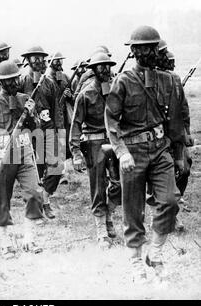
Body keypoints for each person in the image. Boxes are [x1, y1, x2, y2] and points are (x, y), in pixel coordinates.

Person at [105, 26, 181, 282]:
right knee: (133, 211)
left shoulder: (168, 80)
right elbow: (111, 121)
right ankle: (136, 262)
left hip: (161, 150)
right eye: (142, 47)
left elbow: (175, 122)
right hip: (133, 152)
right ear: (134, 51)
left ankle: (156, 253)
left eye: (151, 47)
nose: (147, 52)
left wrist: (179, 153)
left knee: (169, 201)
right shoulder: (123, 81)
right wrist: (121, 152)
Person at [0, 60, 44, 257]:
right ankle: (6, 242)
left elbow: (36, 128)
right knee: (2, 200)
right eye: (7, 81)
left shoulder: (26, 100)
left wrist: (31, 115)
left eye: (15, 79)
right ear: (1, 83)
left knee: (34, 193)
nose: (12, 84)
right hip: (2, 159)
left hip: (24, 154)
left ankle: (29, 239)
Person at [70, 52, 121, 248]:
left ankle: (109, 213)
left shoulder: (116, 90)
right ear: (94, 69)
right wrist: (75, 153)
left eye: (108, 66)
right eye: (101, 66)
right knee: (98, 188)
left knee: (121, 183)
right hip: (94, 144)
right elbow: (75, 124)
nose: (105, 69)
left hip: (115, 142)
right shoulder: (85, 94)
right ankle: (101, 230)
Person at [19, 46, 63, 220]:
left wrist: (59, 132)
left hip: (48, 129)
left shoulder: (49, 82)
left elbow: (57, 109)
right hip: (30, 132)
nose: (38, 61)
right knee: (35, 170)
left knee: (57, 167)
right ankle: (38, 205)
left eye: (40, 58)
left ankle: (45, 196)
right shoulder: (22, 81)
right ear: (28, 60)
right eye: (34, 58)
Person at [155, 46, 192, 232]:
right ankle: (171, 215)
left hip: (175, 135)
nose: (171, 63)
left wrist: (187, 131)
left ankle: (175, 201)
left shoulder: (174, 79)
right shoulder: (149, 77)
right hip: (158, 139)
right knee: (164, 175)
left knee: (185, 168)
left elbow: (183, 107)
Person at [47, 52, 75, 185]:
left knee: (63, 143)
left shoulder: (64, 77)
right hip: (51, 115)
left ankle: (63, 173)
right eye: (56, 60)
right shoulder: (46, 78)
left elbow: (74, 97)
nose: (58, 63)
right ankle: (51, 174)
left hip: (63, 116)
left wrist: (69, 95)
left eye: (60, 60)